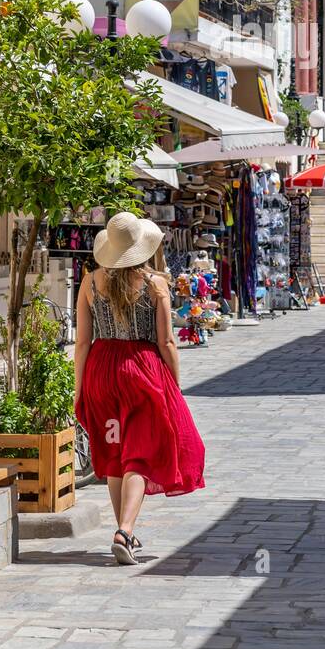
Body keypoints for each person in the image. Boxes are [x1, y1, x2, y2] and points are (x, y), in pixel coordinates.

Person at [75, 212, 205, 565]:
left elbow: (83, 342)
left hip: (102, 371)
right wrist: (173, 385)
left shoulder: (89, 283)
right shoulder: (155, 285)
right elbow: (166, 341)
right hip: (141, 371)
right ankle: (125, 531)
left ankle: (124, 531)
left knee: (115, 454)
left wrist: (79, 387)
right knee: (140, 454)